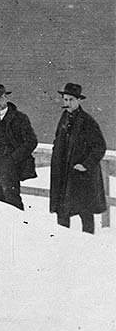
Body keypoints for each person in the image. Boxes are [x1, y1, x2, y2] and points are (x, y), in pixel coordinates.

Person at [49, 82, 107, 234]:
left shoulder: (87, 121)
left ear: (79, 101)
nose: (67, 103)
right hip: (64, 172)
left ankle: (87, 245)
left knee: (84, 211)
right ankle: (62, 243)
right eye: (65, 100)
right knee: (62, 210)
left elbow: (99, 146)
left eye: (71, 100)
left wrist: (85, 164)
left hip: (81, 175)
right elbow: (58, 140)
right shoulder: (64, 117)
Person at [0, 84, 37, 210]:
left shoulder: (19, 118)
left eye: (0, 97)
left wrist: (13, 158)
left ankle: (18, 228)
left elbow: (31, 141)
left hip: (10, 166)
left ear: (6, 98)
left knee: (12, 200)